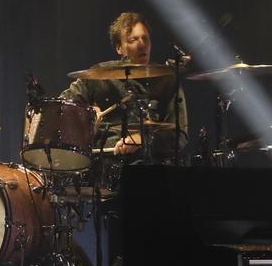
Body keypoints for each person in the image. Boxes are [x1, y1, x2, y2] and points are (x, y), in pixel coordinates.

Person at [59, 11, 190, 160]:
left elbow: (180, 136)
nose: (142, 44)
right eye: (133, 39)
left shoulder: (167, 79)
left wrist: (143, 141)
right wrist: (85, 114)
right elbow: (63, 106)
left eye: (145, 39)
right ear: (119, 47)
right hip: (106, 162)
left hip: (152, 166)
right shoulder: (98, 76)